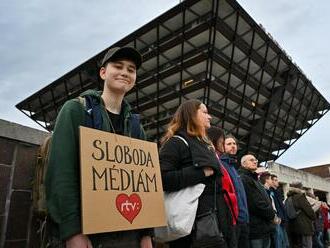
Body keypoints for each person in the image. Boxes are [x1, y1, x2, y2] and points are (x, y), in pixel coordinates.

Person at [45, 46, 153, 248]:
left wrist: (146, 234)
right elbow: (62, 172)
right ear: (103, 72)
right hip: (88, 234)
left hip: (129, 235)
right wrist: (72, 232)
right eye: (118, 66)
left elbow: (145, 185)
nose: (125, 72)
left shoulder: (136, 126)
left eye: (131, 69)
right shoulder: (75, 110)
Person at [159, 99, 230, 248]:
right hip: (190, 230)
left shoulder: (204, 145)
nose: (209, 117)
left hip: (212, 224)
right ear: (191, 115)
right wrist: (201, 172)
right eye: (204, 112)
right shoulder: (176, 142)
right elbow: (162, 179)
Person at [209, 129, 249, 248]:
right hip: (233, 221)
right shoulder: (221, 165)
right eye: (229, 144)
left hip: (244, 220)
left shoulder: (233, 167)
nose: (233, 146)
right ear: (222, 146)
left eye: (234, 144)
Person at [207, 127, 239, 247]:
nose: (232, 146)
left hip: (231, 217)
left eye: (234, 143)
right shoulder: (216, 162)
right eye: (224, 142)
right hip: (222, 217)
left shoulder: (230, 167)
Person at [238, 154, 276, 248]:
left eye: (255, 160)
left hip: (263, 227)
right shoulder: (244, 178)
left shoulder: (255, 179)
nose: (255, 162)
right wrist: (272, 215)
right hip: (255, 229)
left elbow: (264, 200)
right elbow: (255, 203)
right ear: (244, 164)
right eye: (251, 160)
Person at [286, 182, 316, 248]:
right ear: (300, 188)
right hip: (304, 227)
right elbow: (309, 211)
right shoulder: (300, 197)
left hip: (293, 227)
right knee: (307, 245)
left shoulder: (288, 199)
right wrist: (314, 217)